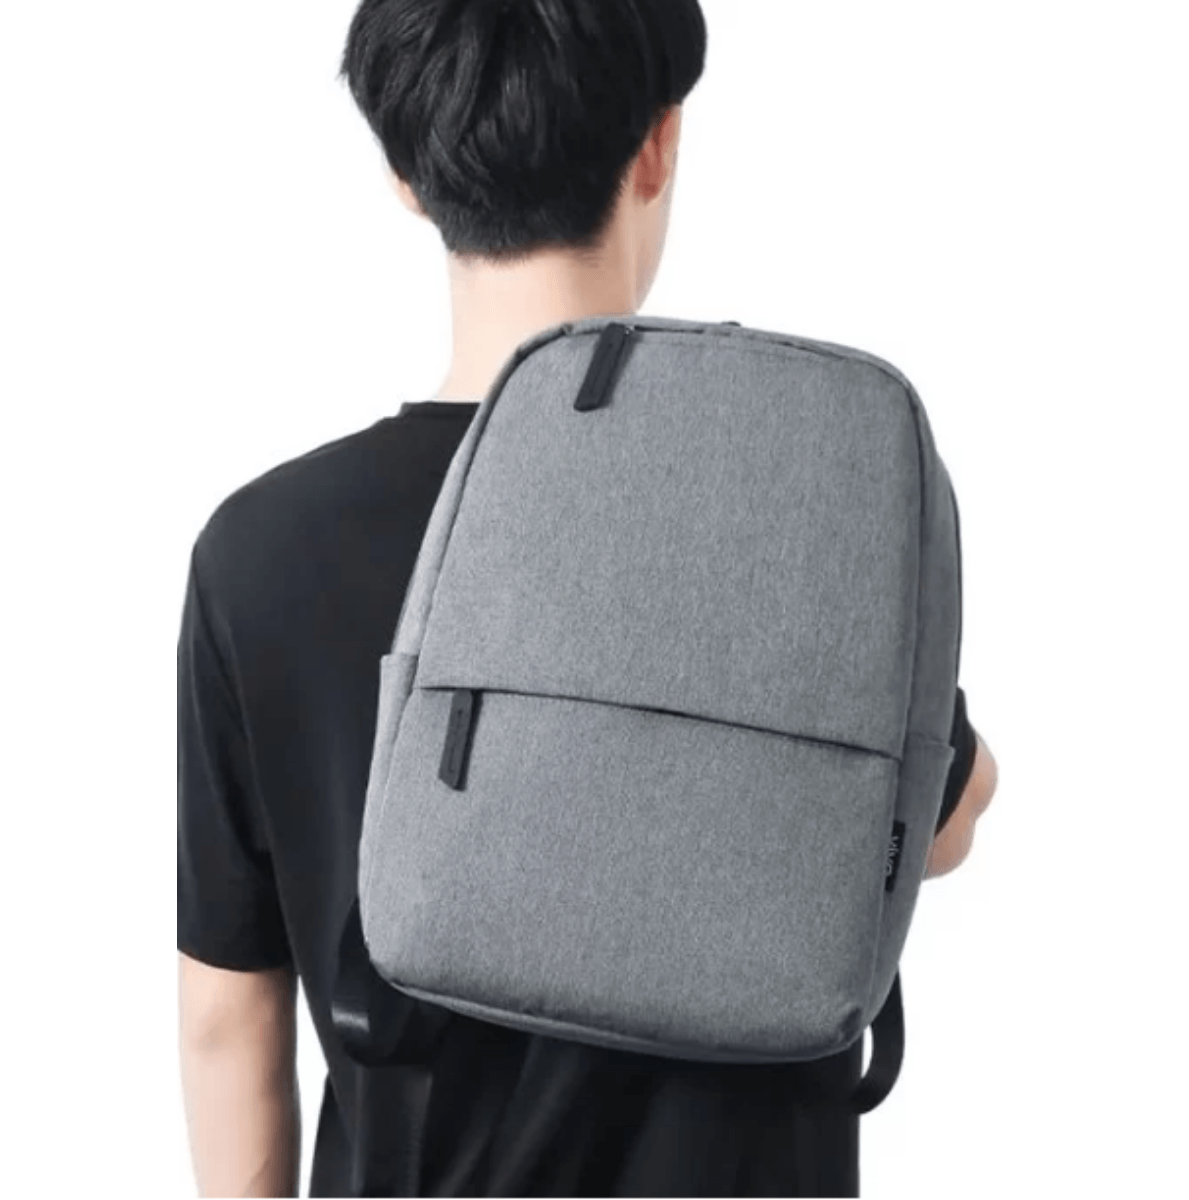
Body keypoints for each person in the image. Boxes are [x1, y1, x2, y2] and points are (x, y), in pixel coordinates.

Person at [176, 1, 1000, 1195]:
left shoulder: (263, 548)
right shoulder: (805, 495)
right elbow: (943, 825)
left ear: (405, 174)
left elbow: (227, 1018)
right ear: (660, 143)